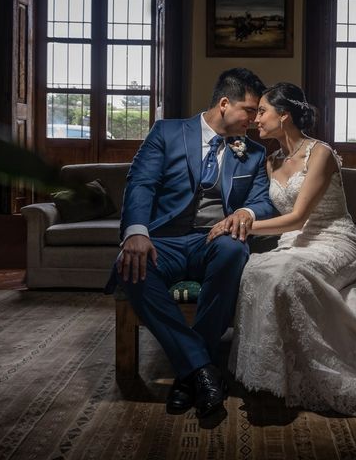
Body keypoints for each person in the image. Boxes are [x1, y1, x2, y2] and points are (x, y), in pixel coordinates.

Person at [207, 82, 356, 420]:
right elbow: (265, 210)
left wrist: (237, 224)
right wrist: (239, 215)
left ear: (284, 115)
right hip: (292, 245)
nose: (256, 119)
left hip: (334, 240)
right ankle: (267, 377)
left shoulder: (320, 153)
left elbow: (296, 219)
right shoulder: (270, 162)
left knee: (287, 276)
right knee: (255, 270)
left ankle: (313, 374)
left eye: (262, 111)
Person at [107, 68, 275, 418]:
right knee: (130, 266)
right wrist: (137, 231)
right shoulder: (166, 132)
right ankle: (200, 369)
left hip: (211, 240)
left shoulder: (255, 153)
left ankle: (189, 374)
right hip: (163, 240)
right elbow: (141, 183)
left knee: (233, 250)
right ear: (225, 104)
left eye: (259, 112)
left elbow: (263, 201)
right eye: (249, 110)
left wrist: (243, 211)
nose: (255, 119)